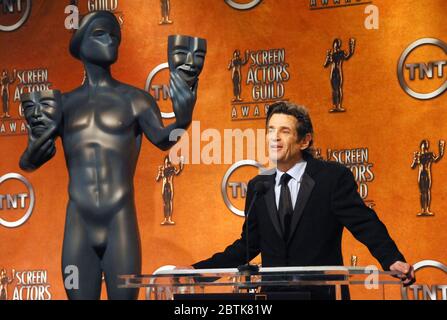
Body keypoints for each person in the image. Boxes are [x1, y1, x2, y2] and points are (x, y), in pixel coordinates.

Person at [19, 11, 200, 300]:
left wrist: (182, 121)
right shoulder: (64, 105)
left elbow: (164, 141)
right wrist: (33, 151)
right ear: (80, 46)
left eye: (115, 36)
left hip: (120, 223)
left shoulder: (136, 100)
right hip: (78, 223)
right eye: (101, 34)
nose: (111, 40)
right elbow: (28, 163)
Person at [192, 101, 414, 300]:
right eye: (270, 130)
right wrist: (197, 272)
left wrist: (391, 259)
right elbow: (248, 244)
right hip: (274, 297)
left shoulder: (332, 178)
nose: (274, 137)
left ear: (305, 140)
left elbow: (364, 223)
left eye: (284, 131)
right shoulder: (259, 186)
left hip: (322, 294)